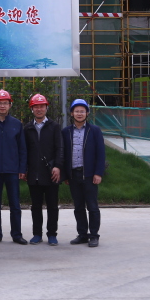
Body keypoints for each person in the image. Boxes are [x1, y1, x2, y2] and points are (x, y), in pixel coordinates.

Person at [0, 89, 28, 245]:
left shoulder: (17, 124)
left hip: (12, 170)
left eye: (5, 103)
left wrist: (22, 169)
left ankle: (17, 234)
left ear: (10, 105)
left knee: (15, 204)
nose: (2, 106)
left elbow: (22, 149)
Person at [62, 99, 106, 248]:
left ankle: (94, 235)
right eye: (76, 111)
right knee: (78, 207)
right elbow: (64, 154)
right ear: (72, 113)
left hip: (89, 175)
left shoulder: (94, 131)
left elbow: (101, 153)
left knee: (92, 206)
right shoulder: (66, 132)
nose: (79, 114)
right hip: (74, 175)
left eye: (82, 111)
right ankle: (82, 234)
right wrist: (66, 175)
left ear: (87, 113)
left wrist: (98, 173)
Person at [23, 94, 64, 246]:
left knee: (52, 206)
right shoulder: (27, 128)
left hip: (51, 173)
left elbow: (60, 148)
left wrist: (58, 166)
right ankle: (37, 234)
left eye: (41, 106)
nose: (39, 109)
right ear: (32, 109)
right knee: (36, 207)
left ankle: (52, 234)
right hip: (34, 173)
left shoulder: (54, 126)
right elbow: (24, 150)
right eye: (36, 107)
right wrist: (25, 169)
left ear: (46, 108)